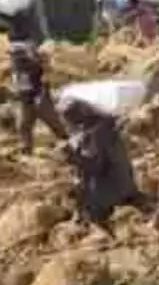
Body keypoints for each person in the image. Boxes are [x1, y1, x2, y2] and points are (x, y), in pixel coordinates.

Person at [58, 96, 150, 233]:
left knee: (81, 198)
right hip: (126, 184)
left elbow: (95, 167)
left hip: (110, 191)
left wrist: (72, 156)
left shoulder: (93, 135)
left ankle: (93, 219)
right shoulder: (105, 126)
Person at [0, 4, 67, 155]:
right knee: (25, 126)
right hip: (26, 95)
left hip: (37, 92)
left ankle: (69, 145)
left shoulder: (26, 53)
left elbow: (37, 67)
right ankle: (26, 151)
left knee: (52, 123)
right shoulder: (23, 52)